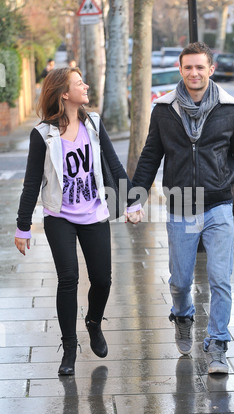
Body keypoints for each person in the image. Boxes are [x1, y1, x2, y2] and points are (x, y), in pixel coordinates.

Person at [129, 42, 234, 374]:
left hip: (218, 205)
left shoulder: (229, 108)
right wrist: (134, 200)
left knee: (220, 279)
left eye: (200, 67)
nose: (194, 73)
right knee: (179, 281)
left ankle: (218, 343)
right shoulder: (164, 109)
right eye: (188, 67)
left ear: (211, 70)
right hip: (181, 208)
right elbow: (150, 157)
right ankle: (183, 315)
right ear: (180, 69)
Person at [15, 67, 142, 376]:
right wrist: (22, 226)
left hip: (94, 212)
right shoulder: (42, 134)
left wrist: (131, 202)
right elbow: (31, 183)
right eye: (79, 83)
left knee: (102, 279)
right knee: (68, 279)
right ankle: (69, 348)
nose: (85, 86)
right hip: (59, 216)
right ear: (64, 94)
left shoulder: (94, 124)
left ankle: (94, 323)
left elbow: (113, 163)